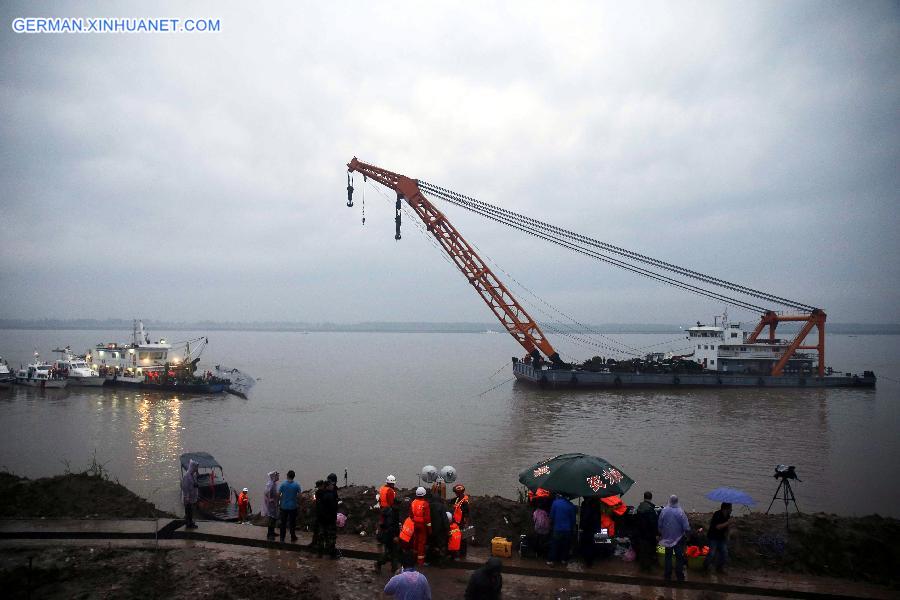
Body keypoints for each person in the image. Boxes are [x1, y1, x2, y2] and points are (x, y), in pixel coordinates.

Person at [658, 494, 691, 582]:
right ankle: (679, 575)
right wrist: (687, 534)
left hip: (667, 538)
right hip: (679, 539)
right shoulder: (681, 512)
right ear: (677, 501)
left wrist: (661, 533)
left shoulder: (664, 511)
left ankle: (667, 575)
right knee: (679, 557)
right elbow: (686, 527)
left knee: (668, 556)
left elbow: (660, 524)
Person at [547, 493, 576, 566]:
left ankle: (551, 561)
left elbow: (551, 516)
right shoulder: (571, 505)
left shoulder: (555, 503)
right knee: (565, 545)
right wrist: (572, 529)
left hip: (557, 528)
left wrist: (550, 524)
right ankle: (563, 560)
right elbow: (573, 520)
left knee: (554, 545)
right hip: (567, 529)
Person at [704, 502, 732, 574]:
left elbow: (727, 527)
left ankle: (719, 568)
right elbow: (718, 527)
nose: (731, 510)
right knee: (711, 553)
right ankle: (705, 567)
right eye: (730, 508)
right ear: (726, 509)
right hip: (713, 537)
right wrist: (727, 523)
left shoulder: (728, 516)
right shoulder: (717, 514)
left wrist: (728, 535)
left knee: (724, 553)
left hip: (722, 538)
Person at [375, 495, 401, 572]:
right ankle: (379, 563)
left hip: (388, 535)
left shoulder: (391, 511)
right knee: (391, 553)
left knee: (393, 553)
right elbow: (391, 526)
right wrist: (395, 536)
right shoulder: (393, 513)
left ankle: (394, 568)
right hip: (390, 536)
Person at [316, 473, 339, 557]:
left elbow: (318, 506)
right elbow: (333, 507)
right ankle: (332, 553)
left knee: (321, 536)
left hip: (321, 519)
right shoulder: (330, 494)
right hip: (329, 519)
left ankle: (320, 553)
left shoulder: (320, 493)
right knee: (331, 537)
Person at [633, 491, 658, 572]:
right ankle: (648, 567)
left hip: (640, 533)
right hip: (648, 534)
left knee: (642, 550)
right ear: (651, 498)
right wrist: (656, 533)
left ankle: (642, 566)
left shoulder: (639, 507)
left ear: (644, 497)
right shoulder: (650, 509)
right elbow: (653, 523)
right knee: (649, 550)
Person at [409, 486, 432, 565]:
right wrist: (430, 529)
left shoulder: (413, 502)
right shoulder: (425, 504)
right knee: (421, 543)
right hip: (422, 525)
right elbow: (427, 518)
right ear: (424, 495)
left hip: (414, 524)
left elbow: (411, 515)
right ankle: (420, 561)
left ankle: (413, 558)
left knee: (415, 541)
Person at [278, 469, 301, 543]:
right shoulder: (297, 485)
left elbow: (278, 494)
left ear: (287, 475)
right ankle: (293, 536)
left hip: (284, 506)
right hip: (293, 507)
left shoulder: (283, 484)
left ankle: (282, 537)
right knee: (292, 523)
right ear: (294, 476)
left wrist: (279, 502)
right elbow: (299, 496)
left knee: (283, 522)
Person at [579, 496, 601, 567]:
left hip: (588, 529)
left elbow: (585, 518)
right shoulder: (597, 505)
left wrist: (582, 526)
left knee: (587, 544)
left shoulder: (588, 506)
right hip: (596, 528)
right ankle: (591, 560)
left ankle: (588, 561)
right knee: (593, 544)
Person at [451, 484, 470, 558]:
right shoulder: (457, 499)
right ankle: (457, 552)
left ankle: (462, 555)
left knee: (463, 539)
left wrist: (466, 523)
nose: (455, 493)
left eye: (456, 492)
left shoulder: (465, 502)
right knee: (457, 537)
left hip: (462, 522)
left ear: (459, 492)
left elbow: (467, 513)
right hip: (456, 522)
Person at [181, 459, 199, 529]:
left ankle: (190, 522)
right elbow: (185, 488)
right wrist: (187, 497)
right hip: (188, 498)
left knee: (191, 510)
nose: (196, 470)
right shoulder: (186, 476)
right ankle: (189, 524)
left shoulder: (193, 475)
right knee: (188, 511)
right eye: (195, 468)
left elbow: (194, 483)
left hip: (192, 496)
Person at [262, 471, 279, 539]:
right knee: (271, 518)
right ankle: (269, 533)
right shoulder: (270, 484)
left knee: (274, 518)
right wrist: (270, 499)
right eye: (277, 476)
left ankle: (272, 532)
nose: (278, 477)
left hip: (274, 503)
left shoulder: (274, 483)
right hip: (271, 504)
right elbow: (266, 493)